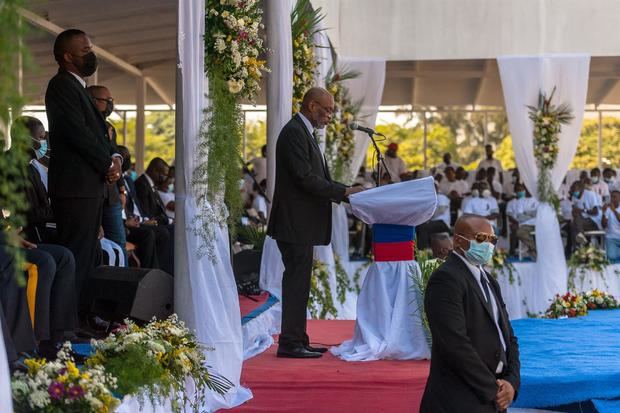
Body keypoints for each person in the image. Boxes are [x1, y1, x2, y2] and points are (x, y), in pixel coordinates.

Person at [267, 87, 363, 358]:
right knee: (296, 284)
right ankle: (290, 343)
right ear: (312, 106)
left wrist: (344, 191)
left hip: (301, 224)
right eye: (327, 109)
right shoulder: (294, 132)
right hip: (294, 223)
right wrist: (343, 192)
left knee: (300, 284)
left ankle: (298, 338)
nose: (330, 115)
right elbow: (304, 178)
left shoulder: (303, 131)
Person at [45, 29, 122, 318]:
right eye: (85, 50)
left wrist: (114, 159)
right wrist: (105, 163)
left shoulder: (77, 86)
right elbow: (77, 133)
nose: (92, 54)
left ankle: (83, 315)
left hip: (89, 187)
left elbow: (99, 133)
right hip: (75, 188)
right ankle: (67, 322)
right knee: (75, 256)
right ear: (67, 56)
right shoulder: (62, 85)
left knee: (88, 256)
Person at [421, 214, 520, 413]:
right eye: (482, 238)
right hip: (461, 398)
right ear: (458, 240)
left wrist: (511, 382)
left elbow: (508, 336)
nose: (489, 245)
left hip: (494, 396)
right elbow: (454, 344)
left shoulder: (489, 281)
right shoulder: (446, 279)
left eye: (492, 240)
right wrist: (493, 389)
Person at [88, 85, 127, 260]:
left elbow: (115, 154)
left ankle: (123, 284)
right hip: (89, 192)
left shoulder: (110, 127)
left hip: (111, 195)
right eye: (107, 100)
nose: (111, 104)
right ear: (92, 101)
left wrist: (121, 189)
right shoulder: (81, 125)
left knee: (119, 243)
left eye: (112, 100)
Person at [506, 183, 538, 258]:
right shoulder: (521, 201)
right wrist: (532, 215)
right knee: (519, 232)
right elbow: (520, 216)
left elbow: (539, 213)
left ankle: (534, 251)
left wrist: (526, 213)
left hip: (538, 223)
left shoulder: (537, 200)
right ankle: (534, 249)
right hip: (525, 224)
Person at [416, 182, 451, 250]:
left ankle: (423, 250)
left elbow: (441, 210)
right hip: (434, 222)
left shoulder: (441, 197)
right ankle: (417, 249)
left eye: (434, 187)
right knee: (417, 226)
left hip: (442, 223)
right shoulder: (430, 199)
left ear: (437, 188)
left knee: (423, 227)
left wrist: (427, 218)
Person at [570, 179, 602, 249]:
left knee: (576, 222)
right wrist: (574, 212)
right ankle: (583, 245)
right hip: (581, 222)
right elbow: (574, 210)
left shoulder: (590, 194)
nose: (574, 192)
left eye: (575, 190)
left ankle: (582, 246)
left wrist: (582, 210)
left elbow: (596, 212)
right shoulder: (574, 196)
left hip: (594, 221)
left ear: (581, 188)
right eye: (572, 190)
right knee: (574, 224)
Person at [602, 190, 620, 261]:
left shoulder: (613, 209)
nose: (612, 199)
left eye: (614, 197)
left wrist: (614, 211)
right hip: (611, 238)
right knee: (612, 257)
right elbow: (604, 225)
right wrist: (603, 213)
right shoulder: (608, 209)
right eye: (611, 197)